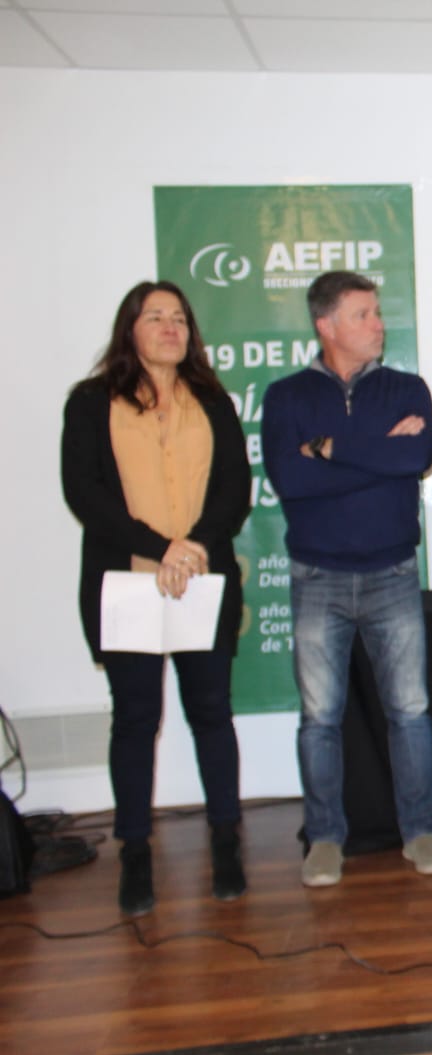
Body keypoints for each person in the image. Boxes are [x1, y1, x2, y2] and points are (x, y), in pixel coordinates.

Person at [62, 280, 250, 917]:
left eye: (179, 319)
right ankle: (135, 851)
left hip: (203, 578)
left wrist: (192, 547)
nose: (171, 328)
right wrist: (160, 547)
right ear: (130, 329)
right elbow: (85, 494)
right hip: (128, 582)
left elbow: (234, 490)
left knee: (211, 713)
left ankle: (226, 840)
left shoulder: (213, 401)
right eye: (156, 317)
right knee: (136, 720)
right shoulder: (91, 402)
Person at [261, 270, 432, 886]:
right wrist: (376, 452)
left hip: (392, 572)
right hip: (317, 575)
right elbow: (292, 481)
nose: (378, 324)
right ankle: (324, 838)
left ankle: (419, 831)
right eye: (363, 314)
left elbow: (414, 457)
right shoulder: (286, 397)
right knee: (319, 717)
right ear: (327, 325)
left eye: (377, 312)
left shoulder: (406, 388)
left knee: (410, 711)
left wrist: (328, 448)